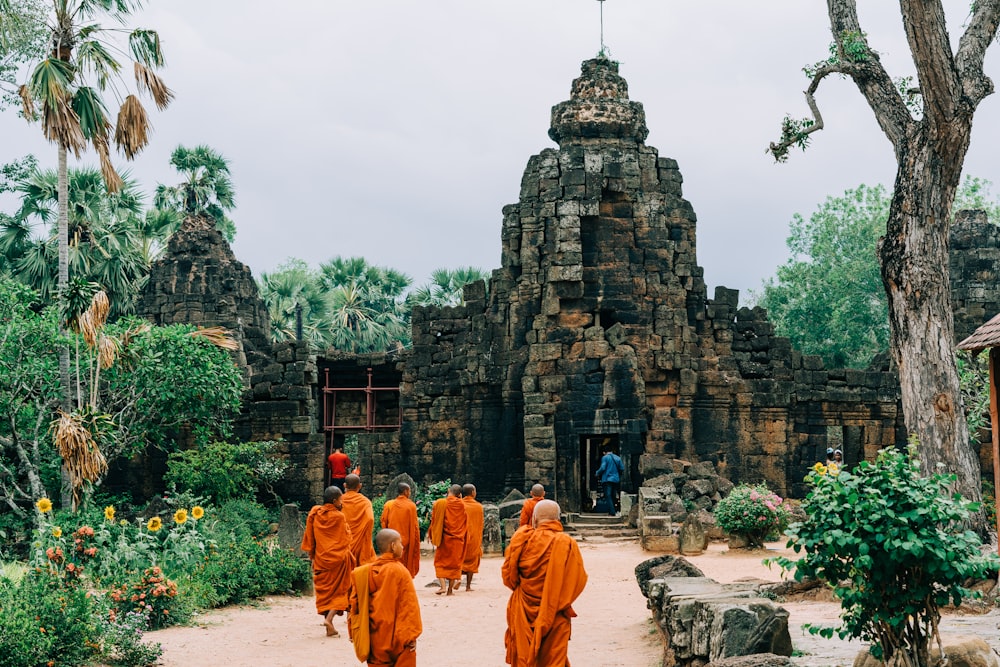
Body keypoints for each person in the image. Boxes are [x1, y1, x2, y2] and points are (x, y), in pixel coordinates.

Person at [502, 499, 588, 667]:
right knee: (554, 659)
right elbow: (578, 580)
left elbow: (509, 578)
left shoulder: (522, 540)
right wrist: (557, 599)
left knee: (524, 657)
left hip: (523, 609)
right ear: (559, 519)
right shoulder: (567, 543)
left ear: (534, 519)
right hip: (555, 612)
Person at [349, 528, 422, 667]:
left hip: (375, 639)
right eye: (400, 543)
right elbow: (409, 608)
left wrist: (355, 632)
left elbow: (355, 606)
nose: (403, 546)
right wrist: (411, 635)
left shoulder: (364, 573)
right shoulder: (400, 572)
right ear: (393, 546)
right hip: (399, 639)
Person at [300, 486, 354, 637]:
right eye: (341, 499)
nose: (342, 501)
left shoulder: (315, 514)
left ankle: (328, 627)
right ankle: (329, 620)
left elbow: (311, 538)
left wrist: (312, 556)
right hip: (338, 560)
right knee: (339, 590)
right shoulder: (338, 517)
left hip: (321, 558)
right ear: (335, 500)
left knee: (326, 592)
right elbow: (346, 538)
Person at [429, 483, 467, 595]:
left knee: (440, 563)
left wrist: (433, 534)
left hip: (444, 539)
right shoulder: (462, 504)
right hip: (458, 538)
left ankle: (443, 587)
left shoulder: (441, 503)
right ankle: (450, 590)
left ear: (449, 490)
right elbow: (465, 521)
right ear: (459, 494)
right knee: (454, 565)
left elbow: (435, 520)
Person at [380, 481, 421, 577]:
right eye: (409, 491)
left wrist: (387, 537)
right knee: (404, 564)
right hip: (406, 541)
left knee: (393, 562)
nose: (410, 493)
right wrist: (415, 541)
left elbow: (383, 522)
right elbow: (415, 526)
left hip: (392, 540)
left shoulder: (389, 504)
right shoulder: (411, 506)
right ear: (406, 491)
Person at [341, 473, 377, 566]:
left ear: (344, 485)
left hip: (343, 543)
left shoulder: (339, 501)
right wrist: (363, 533)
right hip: (360, 545)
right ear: (360, 486)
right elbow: (370, 519)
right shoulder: (365, 502)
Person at [461, 483, 484, 592]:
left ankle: (457, 580)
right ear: (473, 493)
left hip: (461, 537)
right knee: (472, 561)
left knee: (459, 559)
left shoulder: (459, 505)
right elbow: (480, 524)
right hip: (474, 538)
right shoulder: (478, 506)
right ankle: (468, 586)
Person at [595, 446, 625, 516]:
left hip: (607, 479)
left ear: (604, 452)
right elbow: (622, 468)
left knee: (608, 495)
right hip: (615, 479)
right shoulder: (617, 458)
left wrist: (597, 473)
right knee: (613, 495)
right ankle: (614, 509)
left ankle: (612, 512)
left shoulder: (605, 457)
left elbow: (603, 468)